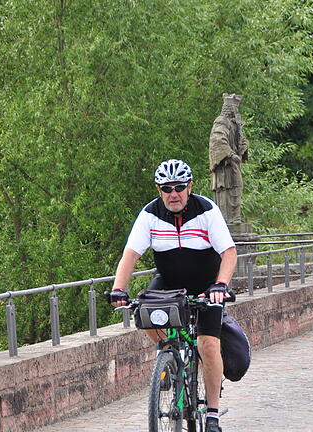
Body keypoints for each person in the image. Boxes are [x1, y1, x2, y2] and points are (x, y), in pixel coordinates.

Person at [109, 159, 237, 432]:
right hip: (169, 283)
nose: (173, 193)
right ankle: (167, 350)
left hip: (206, 286)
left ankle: (212, 414)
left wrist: (220, 285)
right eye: (167, 188)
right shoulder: (150, 214)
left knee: (208, 344)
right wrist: (119, 289)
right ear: (159, 189)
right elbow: (130, 255)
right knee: (143, 312)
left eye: (179, 187)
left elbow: (229, 253)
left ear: (190, 187)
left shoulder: (206, 210)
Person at [209, 94, 249, 225]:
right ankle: (226, 219)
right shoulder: (221, 121)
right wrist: (230, 155)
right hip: (225, 165)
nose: (236, 110)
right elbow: (218, 140)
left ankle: (235, 217)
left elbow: (240, 140)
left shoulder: (235, 124)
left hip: (234, 165)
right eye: (234, 107)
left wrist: (243, 146)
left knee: (237, 187)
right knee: (226, 189)